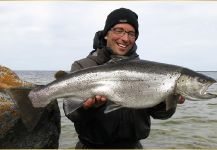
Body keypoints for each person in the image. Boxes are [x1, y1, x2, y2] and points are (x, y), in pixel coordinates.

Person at [62, 8, 185, 149]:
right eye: (119, 30)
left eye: (131, 33)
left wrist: (167, 101)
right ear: (106, 34)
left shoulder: (149, 72)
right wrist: (87, 108)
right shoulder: (83, 66)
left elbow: (161, 115)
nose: (125, 38)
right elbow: (71, 113)